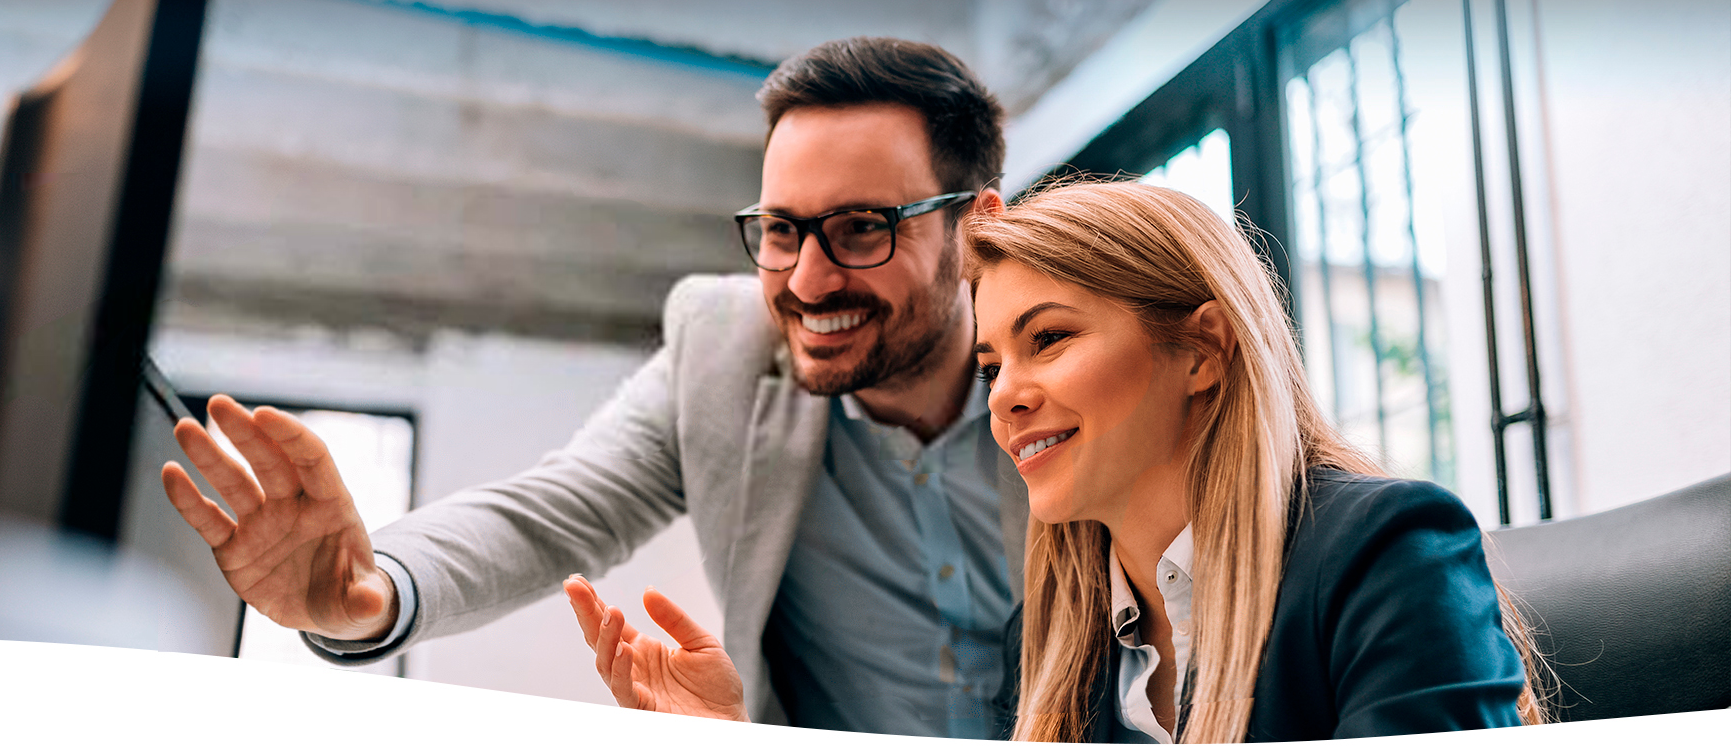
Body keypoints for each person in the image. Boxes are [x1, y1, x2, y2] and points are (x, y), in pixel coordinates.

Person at [158, 37, 1029, 737]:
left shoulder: (1080, 371)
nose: (806, 280)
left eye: (860, 229)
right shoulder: (723, 348)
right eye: (781, 230)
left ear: (979, 227)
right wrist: (371, 589)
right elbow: (555, 509)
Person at [561, 180, 1547, 743]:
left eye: (1050, 339)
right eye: (993, 359)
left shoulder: (1384, 551)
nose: (1006, 393)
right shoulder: (1048, 640)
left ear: (1202, 348)